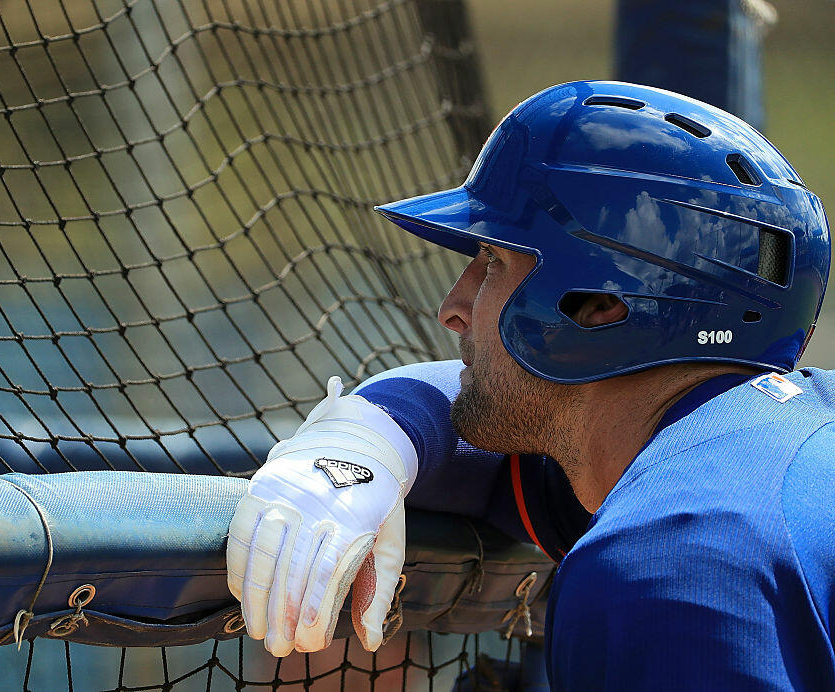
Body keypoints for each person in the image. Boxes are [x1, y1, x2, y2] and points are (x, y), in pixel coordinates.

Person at [226, 81, 833, 689]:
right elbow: (487, 457)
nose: (452, 307)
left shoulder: (675, 562)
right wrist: (367, 438)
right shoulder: (756, 454)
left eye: (493, 262)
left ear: (599, 305)